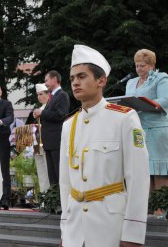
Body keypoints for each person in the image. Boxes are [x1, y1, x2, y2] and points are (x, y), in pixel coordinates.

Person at [59, 44, 149, 247]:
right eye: (72, 78)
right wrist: (65, 230)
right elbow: (66, 183)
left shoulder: (124, 118)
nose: (75, 83)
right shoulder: (68, 126)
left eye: (82, 76)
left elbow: (138, 178)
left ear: (101, 80)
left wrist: (133, 233)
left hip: (109, 228)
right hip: (75, 230)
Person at [125, 49, 168, 190]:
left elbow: (165, 100)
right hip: (137, 130)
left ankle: (161, 210)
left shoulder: (161, 78)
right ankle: (146, 209)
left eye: (142, 65)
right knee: (143, 171)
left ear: (151, 65)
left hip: (157, 131)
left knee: (159, 171)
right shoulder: (131, 82)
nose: (138, 69)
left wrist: (145, 103)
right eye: (137, 65)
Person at [33, 70, 70, 185]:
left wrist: (42, 113)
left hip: (56, 140)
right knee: (52, 176)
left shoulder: (62, 95)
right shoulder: (52, 96)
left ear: (54, 79)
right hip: (49, 141)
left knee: (58, 174)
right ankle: (54, 199)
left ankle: (60, 200)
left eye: (46, 80)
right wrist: (39, 115)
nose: (45, 83)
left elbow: (61, 115)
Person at [33, 83, 50, 193]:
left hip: (47, 142)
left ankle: (51, 196)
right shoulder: (38, 109)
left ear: (48, 94)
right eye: (38, 94)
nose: (39, 96)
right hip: (38, 143)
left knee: (49, 171)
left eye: (41, 94)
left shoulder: (49, 107)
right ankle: (44, 196)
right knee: (41, 172)